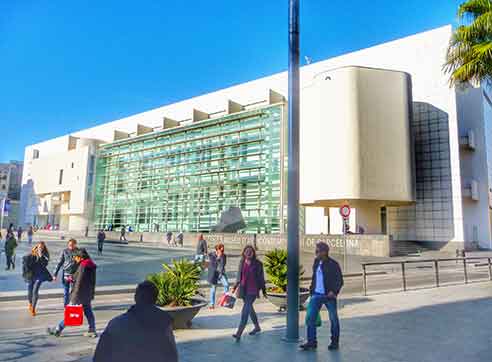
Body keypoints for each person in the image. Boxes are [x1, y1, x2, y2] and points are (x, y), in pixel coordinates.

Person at [93, 281, 178, 362]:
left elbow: (99, 356)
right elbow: (172, 355)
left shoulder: (116, 323)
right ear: (155, 299)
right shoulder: (164, 323)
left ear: (135, 298)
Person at [300, 242, 344, 351]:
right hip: (316, 294)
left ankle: (334, 342)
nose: (315, 253)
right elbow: (315, 277)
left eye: (317, 251)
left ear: (324, 252)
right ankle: (311, 342)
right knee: (310, 318)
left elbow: (339, 280)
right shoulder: (316, 262)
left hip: (329, 296)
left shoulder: (333, 264)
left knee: (333, 319)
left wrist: (334, 291)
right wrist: (311, 290)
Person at [48, 248, 97, 338]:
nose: (75, 259)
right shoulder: (91, 264)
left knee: (72, 313)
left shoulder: (83, 265)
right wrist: (73, 278)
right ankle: (92, 330)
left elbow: (79, 281)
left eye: (76, 257)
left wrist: (74, 294)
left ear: (80, 257)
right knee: (88, 312)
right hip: (87, 293)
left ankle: (58, 329)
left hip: (79, 294)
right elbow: (86, 280)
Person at [231, 245, 266, 341]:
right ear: (243, 253)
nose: (249, 252)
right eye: (247, 251)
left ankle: (239, 333)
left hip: (253, 291)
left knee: (245, 311)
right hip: (243, 291)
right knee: (250, 309)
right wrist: (234, 287)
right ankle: (257, 327)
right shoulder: (241, 262)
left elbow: (261, 278)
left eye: (251, 251)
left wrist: (264, 290)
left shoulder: (258, 264)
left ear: (254, 253)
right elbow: (239, 277)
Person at [24, 242, 54, 316]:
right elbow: (27, 265)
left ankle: (33, 309)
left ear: (44, 248)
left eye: (42, 247)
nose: (40, 248)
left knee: (35, 291)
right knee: (29, 292)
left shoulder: (45, 255)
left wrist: (41, 256)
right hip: (31, 275)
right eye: (39, 247)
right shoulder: (32, 254)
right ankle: (31, 304)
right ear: (36, 247)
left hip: (40, 275)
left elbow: (44, 264)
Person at [53, 238, 79, 306]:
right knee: (66, 292)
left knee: (74, 292)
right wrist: (55, 274)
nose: (71, 246)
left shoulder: (78, 252)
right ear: (68, 245)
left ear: (75, 245)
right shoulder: (64, 251)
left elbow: (82, 263)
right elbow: (59, 263)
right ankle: (66, 306)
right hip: (66, 275)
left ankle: (73, 305)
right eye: (70, 245)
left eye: (73, 245)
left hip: (75, 275)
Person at [208, 243, 229, 309]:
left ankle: (224, 300)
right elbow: (213, 264)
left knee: (226, 285)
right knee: (213, 289)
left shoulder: (224, 256)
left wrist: (222, 272)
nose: (222, 252)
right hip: (214, 274)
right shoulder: (212, 255)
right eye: (221, 250)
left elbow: (224, 264)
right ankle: (212, 304)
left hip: (221, 273)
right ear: (217, 250)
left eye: (223, 250)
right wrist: (218, 257)